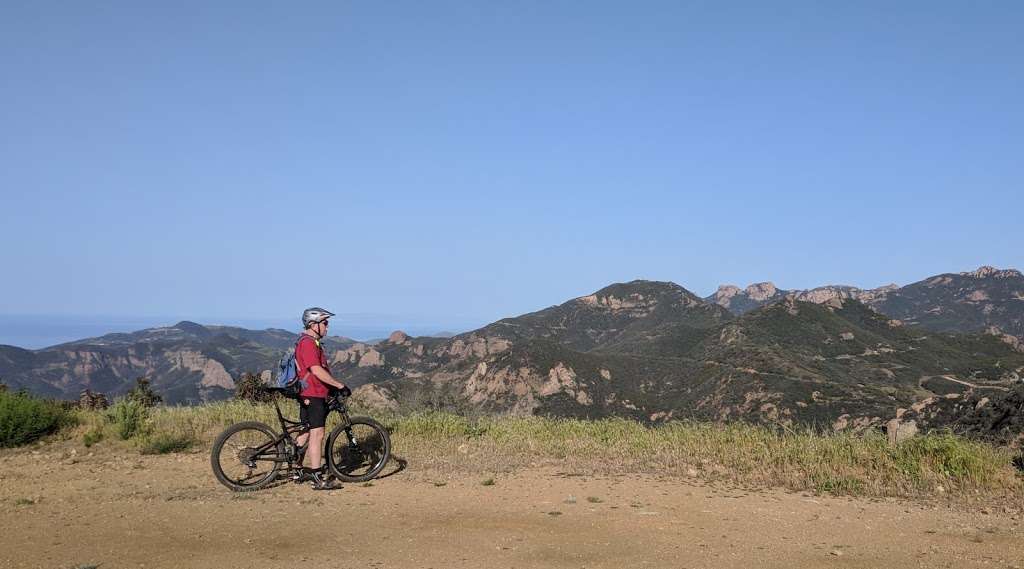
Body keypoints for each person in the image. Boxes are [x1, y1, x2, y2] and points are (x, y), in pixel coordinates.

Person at [293, 307, 350, 489]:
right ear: (313, 324)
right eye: (325, 323)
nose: (327, 327)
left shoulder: (309, 342)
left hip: (309, 393)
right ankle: (318, 477)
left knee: (306, 431)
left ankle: (297, 470)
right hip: (313, 394)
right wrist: (339, 385)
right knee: (317, 434)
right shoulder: (308, 343)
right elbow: (316, 370)